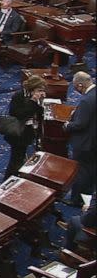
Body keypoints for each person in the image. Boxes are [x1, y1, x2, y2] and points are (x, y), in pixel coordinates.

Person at [3, 75, 45, 179]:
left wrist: (40, 102)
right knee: (16, 159)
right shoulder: (19, 96)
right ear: (33, 88)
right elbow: (19, 114)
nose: (41, 92)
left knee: (20, 157)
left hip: (27, 132)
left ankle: (15, 177)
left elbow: (39, 112)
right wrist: (33, 101)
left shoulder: (35, 97)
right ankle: (8, 180)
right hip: (17, 132)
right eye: (39, 90)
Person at [64, 72, 96, 206]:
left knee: (81, 171)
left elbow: (80, 124)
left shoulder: (86, 100)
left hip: (85, 143)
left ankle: (76, 200)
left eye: (76, 87)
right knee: (92, 170)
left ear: (80, 85)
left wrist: (67, 125)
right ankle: (87, 196)